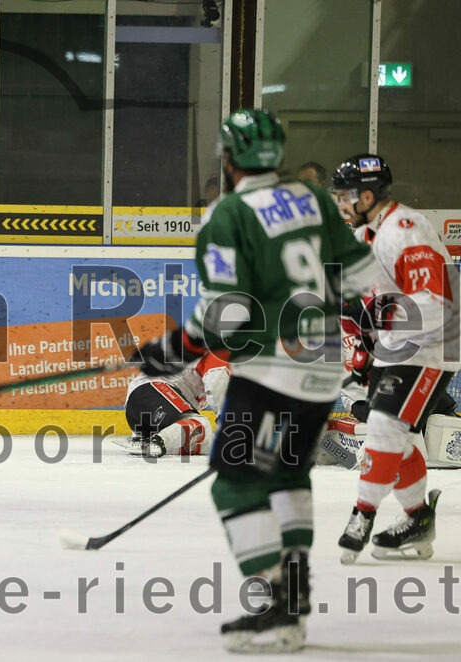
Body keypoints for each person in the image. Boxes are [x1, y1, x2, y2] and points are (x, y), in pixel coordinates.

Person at [134, 109, 385, 653]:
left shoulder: (227, 215)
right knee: (289, 479)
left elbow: (224, 311)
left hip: (271, 369)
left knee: (232, 481)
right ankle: (292, 611)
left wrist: (174, 348)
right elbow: (366, 277)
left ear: (228, 159)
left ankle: (274, 601)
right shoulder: (316, 200)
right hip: (323, 369)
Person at [331, 154, 459, 563]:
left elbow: (435, 302)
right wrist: (367, 347)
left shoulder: (404, 230)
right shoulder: (367, 234)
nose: (341, 204)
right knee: (396, 440)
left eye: (346, 196)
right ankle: (418, 519)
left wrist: (370, 318)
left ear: (368, 195)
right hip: (402, 344)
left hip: (435, 342)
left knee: (384, 427)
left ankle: (362, 516)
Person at [121, 353, 230, 458]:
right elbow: (216, 385)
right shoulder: (218, 352)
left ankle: (147, 439)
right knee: (200, 425)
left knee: (206, 440)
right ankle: (158, 441)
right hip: (151, 389)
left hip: (139, 405)